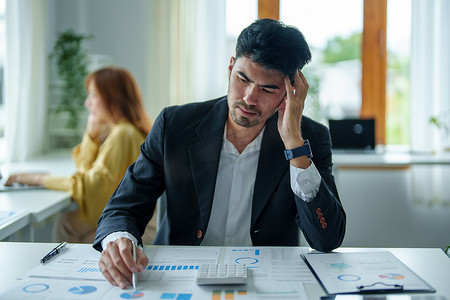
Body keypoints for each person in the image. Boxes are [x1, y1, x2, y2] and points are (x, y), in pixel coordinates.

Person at [94, 19, 346, 289]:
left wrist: (294, 146)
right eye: (243, 78)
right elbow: (124, 207)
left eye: (268, 89)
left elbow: (327, 239)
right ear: (230, 68)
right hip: (178, 280)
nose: (249, 98)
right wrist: (119, 241)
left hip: (267, 284)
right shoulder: (175, 125)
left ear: (289, 93)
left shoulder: (310, 138)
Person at [6, 66, 155, 243]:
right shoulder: (123, 131)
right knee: (67, 223)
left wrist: (39, 179)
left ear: (112, 98)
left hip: (138, 230)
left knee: (66, 224)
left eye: (93, 95)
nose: (87, 103)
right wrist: (91, 137)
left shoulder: (123, 134)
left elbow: (90, 187)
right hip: (138, 224)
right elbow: (86, 173)